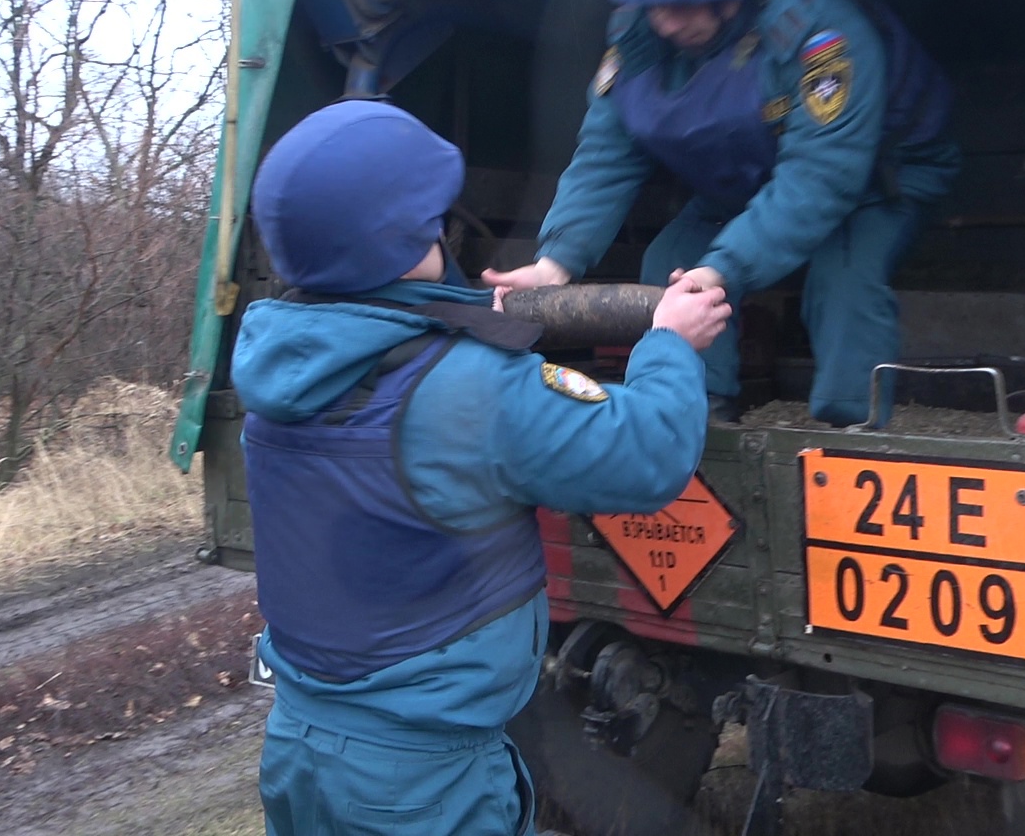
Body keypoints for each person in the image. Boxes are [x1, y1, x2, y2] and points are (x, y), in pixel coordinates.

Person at [235, 99, 730, 836]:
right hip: (423, 786)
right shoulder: (465, 390)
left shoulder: (278, 365)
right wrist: (667, 342)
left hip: (305, 749)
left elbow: (393, 340)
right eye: (431, 217)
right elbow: (648, 453)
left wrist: (463, 309)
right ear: (405, 238)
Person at [485, 0, 961, 426]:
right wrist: (554, 264)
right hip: (747, 173)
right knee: (670, 263)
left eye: (681, 3)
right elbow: (604, 154)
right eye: (651, 4)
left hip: (875, 181)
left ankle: (851, 435)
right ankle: (701, 417)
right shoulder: (641, 32)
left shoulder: (822, 32)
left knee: (843, 281)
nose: (664, 21)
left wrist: (723, 268)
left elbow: (822, 180)